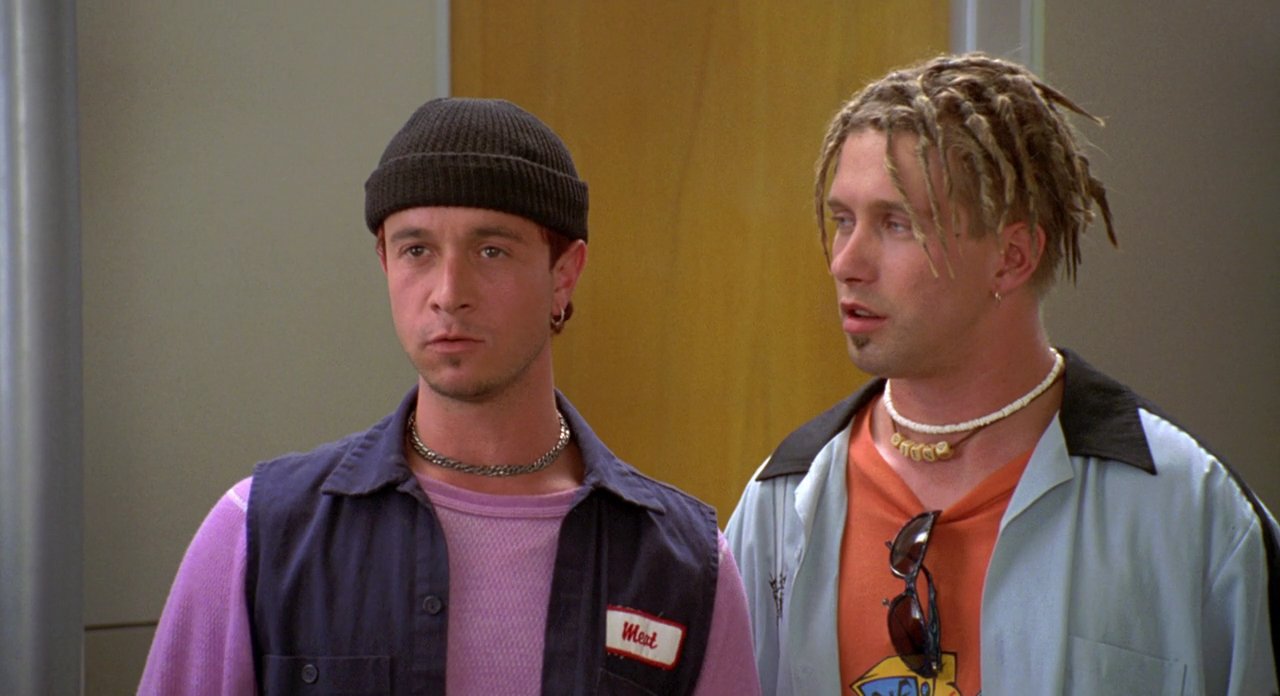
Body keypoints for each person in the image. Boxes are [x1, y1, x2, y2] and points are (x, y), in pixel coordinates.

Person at [140, 97, 761, 695]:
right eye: (417, 251)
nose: (448, 292)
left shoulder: (681, 564)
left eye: (491, 250)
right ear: (385, 264)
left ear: (564, 275)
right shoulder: (258, 534)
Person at [726, 53, 1278, 695]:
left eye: (896, 224)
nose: (846, 262)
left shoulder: (1192, 512)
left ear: (1012, 257)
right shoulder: (781, 503)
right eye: (843, 220)